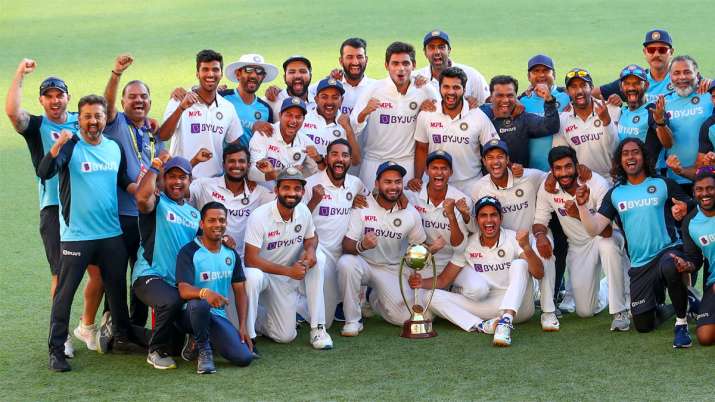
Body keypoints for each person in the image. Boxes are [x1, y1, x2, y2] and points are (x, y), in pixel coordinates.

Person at [38, 95, 142, 371]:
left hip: (111, 234)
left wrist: (140, 189)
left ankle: (122, 338)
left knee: (117, 290)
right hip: (76, 236)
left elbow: (121, 180)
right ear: (79, 119)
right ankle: (56, 350)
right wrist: (57, 146)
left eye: (98, 115)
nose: (93, 121)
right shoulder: (70, 147)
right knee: (64, 294)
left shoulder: (114, 146)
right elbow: (45, 172)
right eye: (87, 116)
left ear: (105, 117)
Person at [577, 138, 695, 347]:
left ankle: (681, 323)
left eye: (635, 152)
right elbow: (594, 228)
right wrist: (582, 205)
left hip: (667, 251)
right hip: (640, 264)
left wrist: (683, 209)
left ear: (644, 157)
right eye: (625, 154)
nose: (631, 157)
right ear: (619, 161)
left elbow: (691, 206)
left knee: (670, 265)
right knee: (643, 325)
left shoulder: (662, 184)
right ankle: (678, 302)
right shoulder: (615, 193)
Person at [5, 60, 78, 357]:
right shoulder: (37, 127)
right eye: (48, 95)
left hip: (88, 207)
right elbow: (12, 112)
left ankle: (90, 325)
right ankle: (61, 337)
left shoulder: (81, 119)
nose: (54, 100)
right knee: (60, 275)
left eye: (59, 94)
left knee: (101, 271)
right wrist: (20, 74)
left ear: (67, 98)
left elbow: (109, 118)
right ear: (42, 100)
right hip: (54, 208)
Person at [410, 196, 542, 346]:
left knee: (520, 264)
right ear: (477, 219)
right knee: (430, 297)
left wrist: (526, 247)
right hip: (489, 307)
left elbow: (538, 273)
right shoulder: (468, 245)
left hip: (519, 308)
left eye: (493, 215)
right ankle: (481, 326)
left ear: (501, 218)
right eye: (483, 216)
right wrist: (421, 282)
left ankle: (506, 322)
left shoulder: (514, 238)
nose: (489, 221)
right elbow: (443, 280)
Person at [534, 147, 631, 330]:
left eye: (568, 167)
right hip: (578, 246)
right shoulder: (548, 187)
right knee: (585, 311)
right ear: (552, 171)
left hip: (605, 236)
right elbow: (540, 221)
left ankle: (620, 310)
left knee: (608, 246)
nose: (564, 173)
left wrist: (579, 213)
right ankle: (606, 287)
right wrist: (540, 236)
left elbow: (607, 231)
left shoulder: (597, 184)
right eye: (558, 168)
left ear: (577, 166)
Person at [101, 53, 164, 332]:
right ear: (124, 102)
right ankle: (113, 323)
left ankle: (136, 326)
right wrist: (116, 74)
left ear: (150, 102)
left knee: (141, 270)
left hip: (146, 214)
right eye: (133, 97)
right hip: (119, 215)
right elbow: (107, 104)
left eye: (143, 97)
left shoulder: (152, 133)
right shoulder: (116, 124)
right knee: (114, 273)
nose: (138, 101)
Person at [337, 161, 435, 336]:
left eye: (398, 182)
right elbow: (346, 246)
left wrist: (432, 249)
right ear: (376, 184)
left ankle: (371, 297)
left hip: (389, 269)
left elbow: (417, 246)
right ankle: (352, 320)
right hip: (363, 263)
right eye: (387, 182)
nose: (393, 187)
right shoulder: (362, 205)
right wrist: (362, 245)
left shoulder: (410, 212)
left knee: (404, 318)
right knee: (346, 263)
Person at [470, 139, 559, 331]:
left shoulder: (529, 176)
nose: (496, 162)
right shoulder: (479, 187)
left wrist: (552, 179)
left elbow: (552, 176)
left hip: (533, 236)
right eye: (490, 158)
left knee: (545, 252)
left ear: (508, 159)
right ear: (484, 161)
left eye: (500, 157)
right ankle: (508, 312)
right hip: (505, 242)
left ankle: (548, 312)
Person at [243, 168, 333, 350]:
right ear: (276, 190)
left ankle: (318, 328)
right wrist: (288, 271)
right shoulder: (259, 216)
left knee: (285, 336)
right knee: (251, 275)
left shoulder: (303, 212)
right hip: (265, 274)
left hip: (288, 277)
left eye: (297, 188)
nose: (292, 193)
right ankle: (248, 334)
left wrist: (310, 250)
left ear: (302, 192)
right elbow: (250, 260)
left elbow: (311, 236)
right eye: (286, 188)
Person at [132, 156, 200, 369]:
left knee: (177, 342)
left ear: (190, 181)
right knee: (171, 301)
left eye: (182, 177)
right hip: (149, 275)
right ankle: (155, 350)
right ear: (163, 180)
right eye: (171, 177)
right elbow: (142, 199)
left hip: (177, 282)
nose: (177, 182)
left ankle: (121, 328)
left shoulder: (195, 214)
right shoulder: (158, 202)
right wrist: (155, 167)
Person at [176, 202, 253, 374]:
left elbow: (240, 291)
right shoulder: (189, 252)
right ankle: (204, 351)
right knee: (200, 304)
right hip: (187, 313)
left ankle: (197, 340)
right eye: (211, 220)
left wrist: (242, 326)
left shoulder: (231, 254)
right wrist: (205, 293)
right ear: (202, 224)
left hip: (216, 316)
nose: (217, 224)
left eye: (221, 220)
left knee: (244, 358)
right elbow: (183, 290)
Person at [350, 41, 438, 190]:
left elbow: (439, 122)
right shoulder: (373, 89)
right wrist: (364, 112)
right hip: (374, 163)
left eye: (405, 63)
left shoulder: (425, 90)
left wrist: (426, 113)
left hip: (408, 165)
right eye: (395, 63)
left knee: (407, 212)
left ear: (414, 65)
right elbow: (353, 126)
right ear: (386, 66)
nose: (401, 69)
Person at [303, 139, 368, 326]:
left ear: (349, 160)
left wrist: (359, 200)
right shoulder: (310, 184)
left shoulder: (355, 183)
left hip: (341, 254)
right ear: (327, 158)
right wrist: (315, 200)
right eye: (335, 154)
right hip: (317, 251)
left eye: (345, 155)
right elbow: (297, 221)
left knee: (328, 319)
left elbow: (372, 198)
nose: (340, 159)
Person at [411, 67, 498, 194]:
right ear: (440, 88)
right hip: (436, 182)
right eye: (446, 87)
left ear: (464, 89)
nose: (451, 92)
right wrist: (417, 178)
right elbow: (421, 148)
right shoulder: (427, 114)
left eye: (456, 87)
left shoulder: (477, 115)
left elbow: (493, 148)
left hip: (470, 184)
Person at [159, 49, 241, 178]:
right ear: (197, 74)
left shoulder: (228, 108)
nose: (210, 74)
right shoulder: (179, 99)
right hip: (182, 179)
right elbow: (163, 136)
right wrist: (181, 108)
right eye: (205, 69)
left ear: (221, 74)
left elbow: (235, 147)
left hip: (215, 183)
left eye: (215, 70)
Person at [405, 150, 471, 275]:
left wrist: (451, 215)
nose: (439, 172)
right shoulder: (412, 194)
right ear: (426, 170)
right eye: (434, 168)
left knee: (476, 289)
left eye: (444, 168)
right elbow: (384, 196)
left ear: (451, 172)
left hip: (452, 261)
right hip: (418, 257)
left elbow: (459, 247)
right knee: (414, 292)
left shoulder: (462, 200)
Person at [554, 68, 620, 180]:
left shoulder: (611, 109)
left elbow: (615, 147)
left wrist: (606, 121)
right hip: (583, 182)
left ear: (592, 87)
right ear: (568, 91)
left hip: (612, 179)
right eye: (573, 87)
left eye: (583, 85)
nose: (579, 91)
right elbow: (561, 155)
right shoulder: (562, 119)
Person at [480, 75, 560, 167]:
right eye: (500, 95)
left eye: (510, 95)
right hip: (488, 180)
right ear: (491, 97)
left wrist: (549, 100)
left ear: (516, 97)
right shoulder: (481, 116)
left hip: (520, 178)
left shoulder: (523, 118)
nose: (505, 100)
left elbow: (551, 126)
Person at [662, 55, 713, 189]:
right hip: (676, 179)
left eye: (687, 72)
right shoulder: (664, 103)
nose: (682, 77)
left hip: (709, 179)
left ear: (697, 74)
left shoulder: (708, 95)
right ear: (670, 77)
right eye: (676, 73)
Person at [247, 97, 322, 186]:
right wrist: (288, 173)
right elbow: (251, 173)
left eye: (298, 117)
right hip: (263, 194)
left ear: (303, 120)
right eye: (289, 115)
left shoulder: (306, 142)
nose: (293, 121)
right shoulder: (264, 133)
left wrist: (318, 158)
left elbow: (319, 171)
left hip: (289, 195)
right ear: (280, 115)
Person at [679, 172, 715, 345]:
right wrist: (687, 265)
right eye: (699, 189)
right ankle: (696, 301)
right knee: (705, 337)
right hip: (712, 283)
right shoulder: (691, 222)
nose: (705, 193)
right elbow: (695, 258)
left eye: (710, 188)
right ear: (694, 193)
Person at [615, 64, 673, 171]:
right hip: (628, 177)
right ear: (621, 87)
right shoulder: (621, 112)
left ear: (646, 85)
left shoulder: (653, 110)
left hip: (652, 177)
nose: (631, 88)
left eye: (637, 83)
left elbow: (668, 143)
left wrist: (661, 123)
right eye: (627, 83)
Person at [519, 54, 571, 172]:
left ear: (554, 74)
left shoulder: (567, 96)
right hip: (532, 172)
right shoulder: (522, 102)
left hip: (563, 170)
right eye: (536, 71)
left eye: (546, 70)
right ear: (528, 76)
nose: (541, 75)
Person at [414, 29, 489, 106]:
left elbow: (487, 104)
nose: (437, 52)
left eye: (441, 47)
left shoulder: (472, 75)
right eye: (431, 47)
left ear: (449, 50)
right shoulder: (415, 79)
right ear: (425, 52)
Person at [221, 53, 278, 147]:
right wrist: (252, 125)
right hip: (223, 161)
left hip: (254, 161)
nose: (254, 75)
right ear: (238, 74)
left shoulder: (266, 109)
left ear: (263, 77)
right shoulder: (222, 97)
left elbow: (269, 143)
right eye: (249, 70)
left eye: (259, 71)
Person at [301, 77, 360, 161]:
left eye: (335, 97)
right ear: (316, 99)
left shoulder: (347, 123)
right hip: (306, 174)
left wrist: (348, 129)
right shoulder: (303, 119)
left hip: (334, 174)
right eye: (324, 97)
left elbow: (355, 160)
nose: (329, 102)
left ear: (341, 100)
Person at [265, 55, 315, 120]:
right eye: (292, 72)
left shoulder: (319, 102)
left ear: (310, 76)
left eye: (303, 71)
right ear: (284, 77)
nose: (297, 76)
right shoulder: (270, 102)